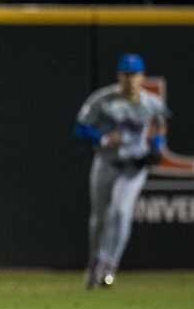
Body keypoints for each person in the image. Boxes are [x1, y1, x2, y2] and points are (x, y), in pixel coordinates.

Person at [73, 53, 171, 289]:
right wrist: (104, 138)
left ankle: (109, 265)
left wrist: (156, 146)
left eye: (134, 74)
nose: (130, 79)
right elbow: (80, 127)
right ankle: (94, 264)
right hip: (106, 163)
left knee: (121, 212)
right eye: (126, 75)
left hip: (134, 166)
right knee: (98, 219)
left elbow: (160, 124)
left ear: (142, 76)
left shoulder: (152, 102)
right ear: (119, 76)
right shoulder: (103, 100)